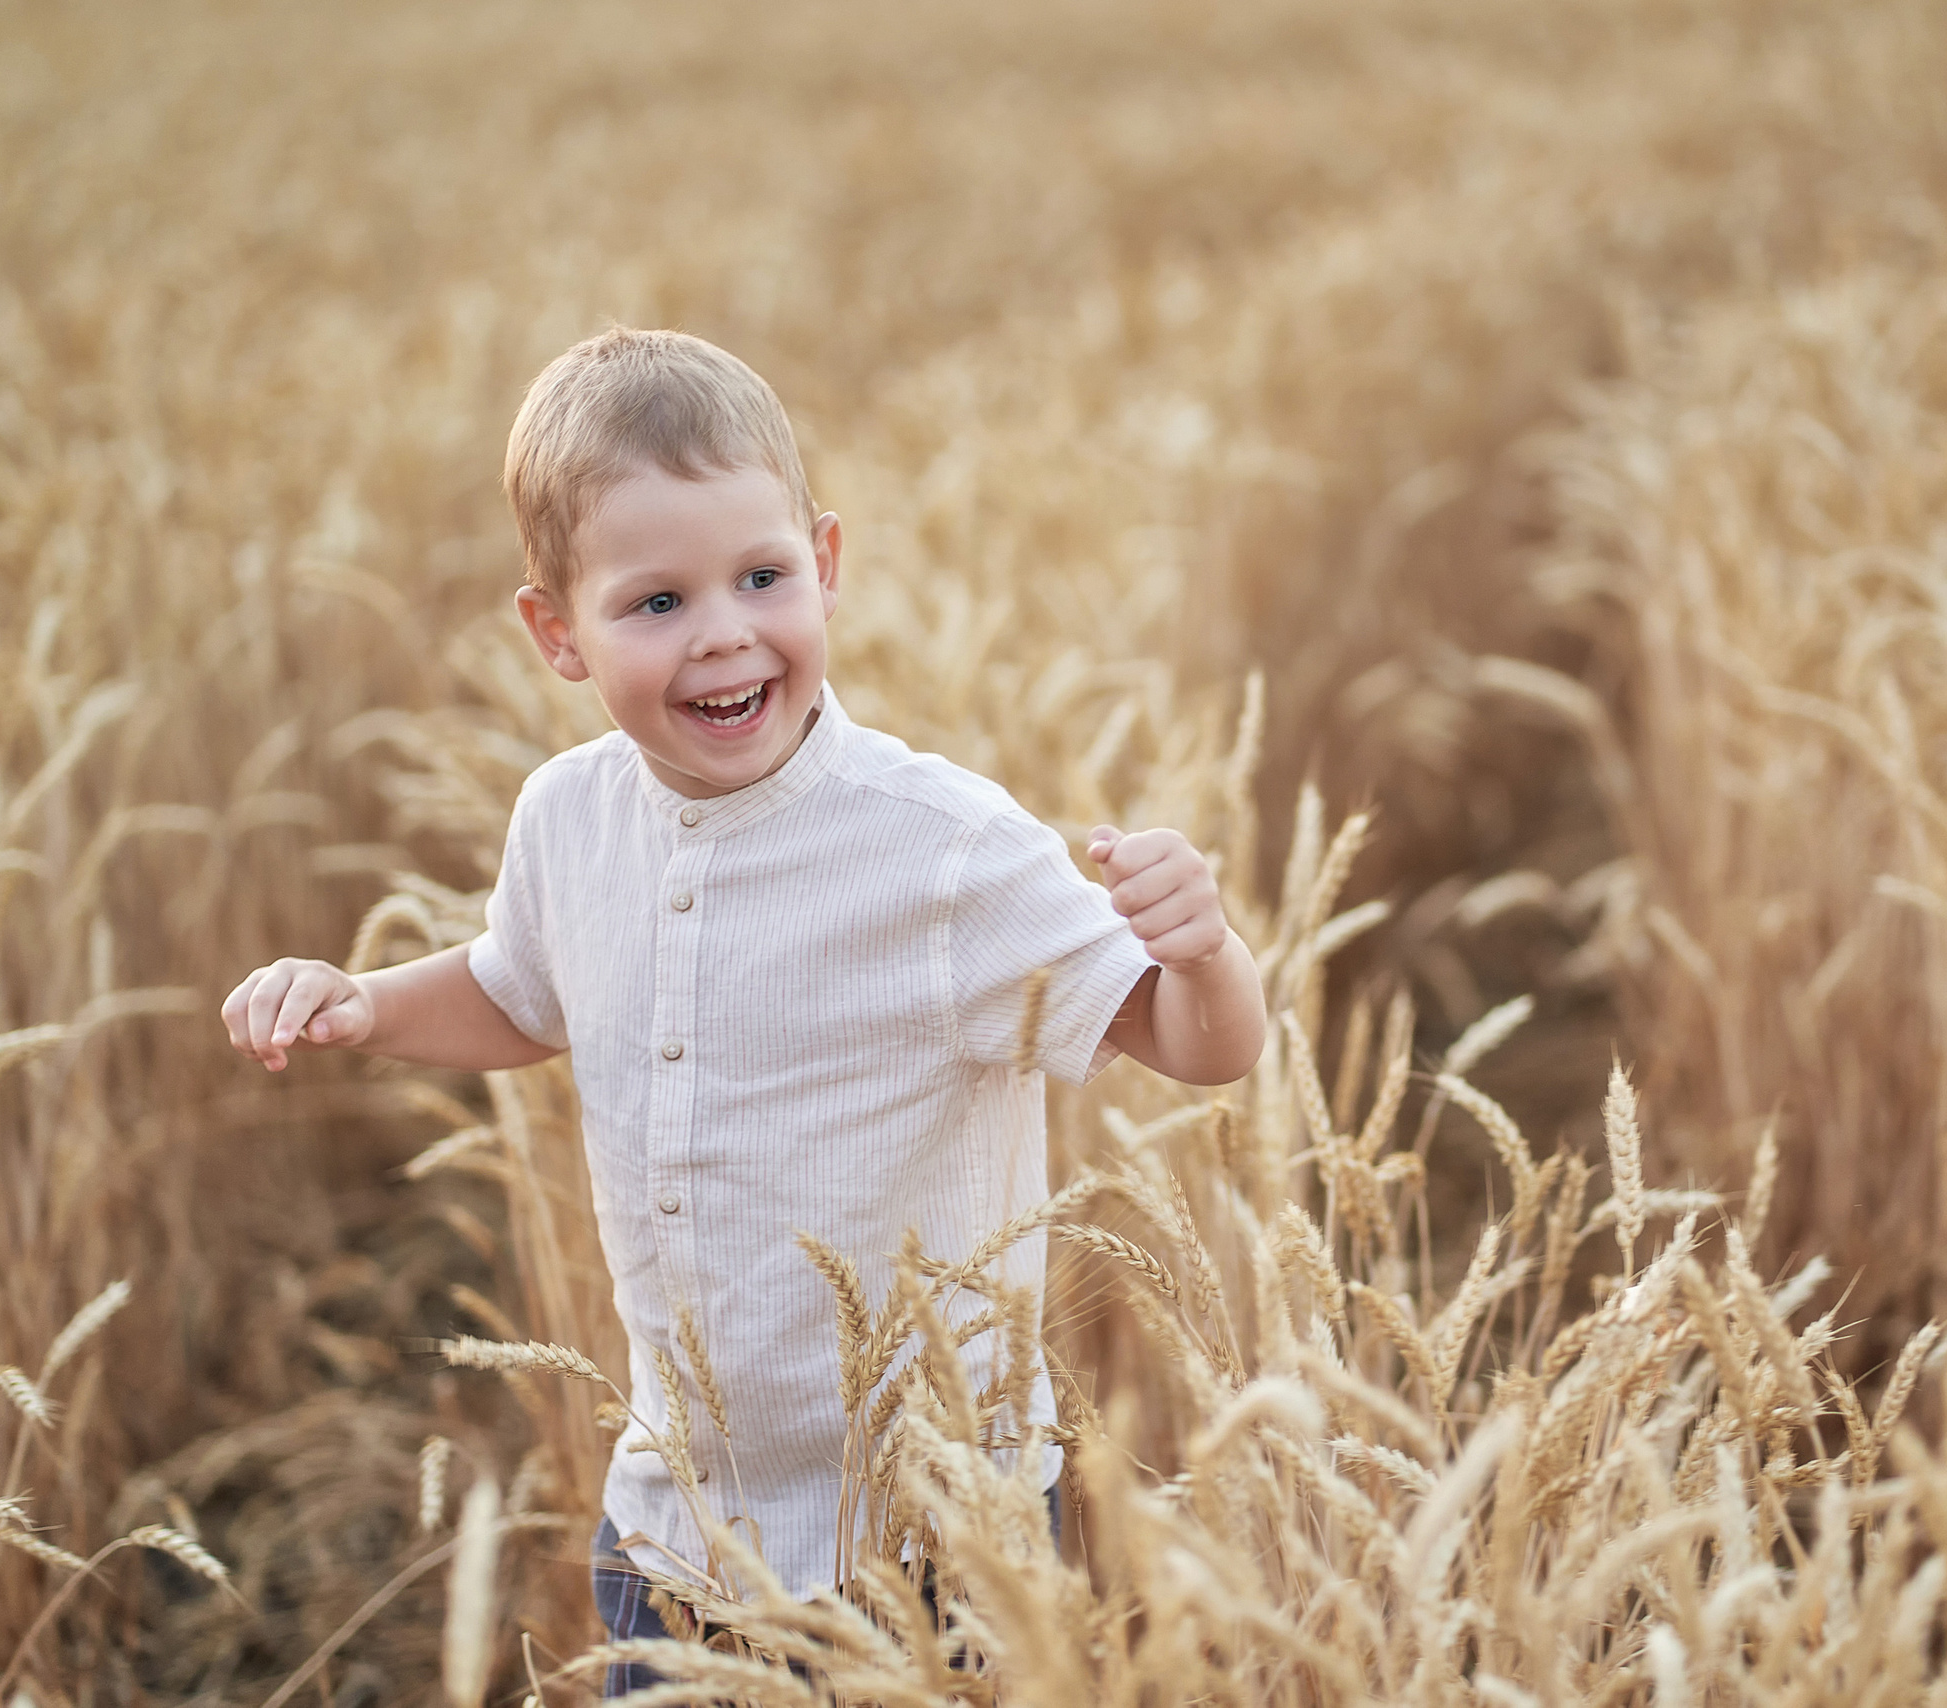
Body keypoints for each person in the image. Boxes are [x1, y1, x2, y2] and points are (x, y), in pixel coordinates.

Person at [218, 328, 1266, 1692]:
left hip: (936, 1536)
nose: (723, 632)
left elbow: (1195, 1049)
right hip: (679, 1527)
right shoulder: (568, 818)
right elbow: (516, 993)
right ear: (558, 636)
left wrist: (1205, 956)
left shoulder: (940, 849)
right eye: (655, 602)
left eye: (761, 578)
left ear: (824, 565)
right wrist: (363, 1004)